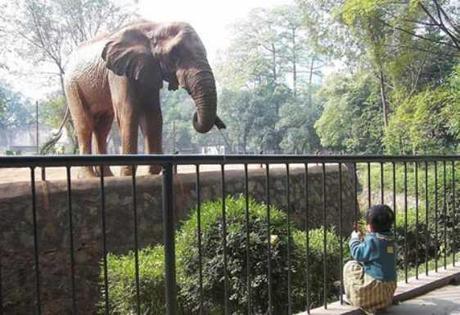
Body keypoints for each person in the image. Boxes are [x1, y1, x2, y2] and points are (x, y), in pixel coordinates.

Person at [343, 204, 397, 315]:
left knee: (350, 266)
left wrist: (354, 239)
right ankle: (380, 304)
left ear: (370, 226)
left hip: (374, 289)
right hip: (388, 291)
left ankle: (351, 298)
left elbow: (358, 254)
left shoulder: (373, 241)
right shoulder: (391, 239)